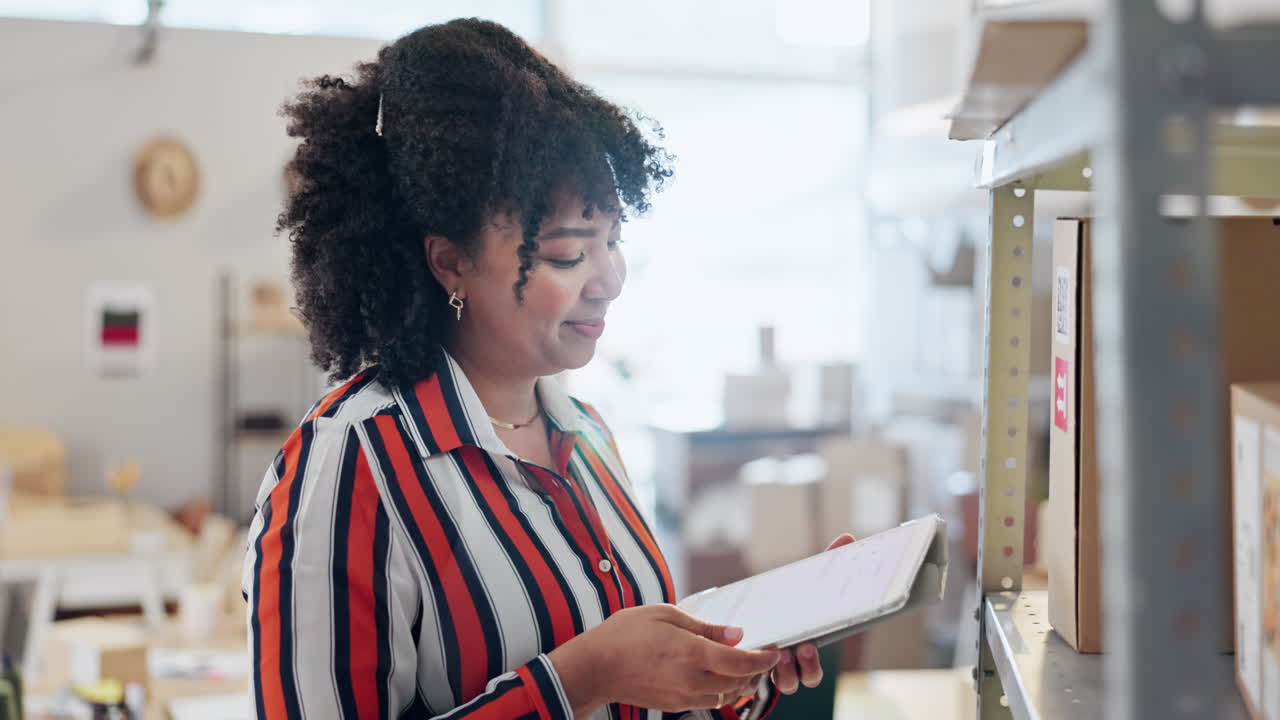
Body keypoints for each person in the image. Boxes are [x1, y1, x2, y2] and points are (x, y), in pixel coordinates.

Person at [244, 18, 851, 720]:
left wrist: (746, 666)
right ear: (452, 262)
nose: (609, 280)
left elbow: (648, 702)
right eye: (568, 253)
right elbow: (600, 681)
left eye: (614, 241)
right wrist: (577, 679)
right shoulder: (352, 467)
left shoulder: (588, 436)